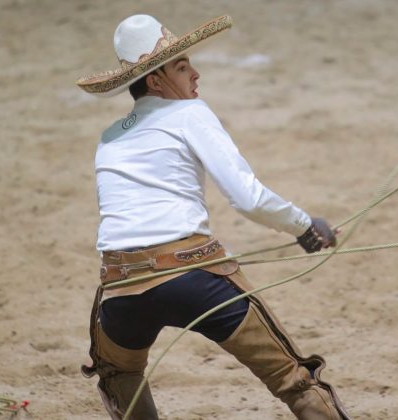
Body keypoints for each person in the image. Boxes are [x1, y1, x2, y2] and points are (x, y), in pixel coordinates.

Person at [76, 14, 351, 420]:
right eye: (182, 67)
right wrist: (304, 226)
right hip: (194, 279)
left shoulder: (109, 138)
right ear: (156, 80)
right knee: (294, 378)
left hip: (120, 288)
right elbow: (247, 197)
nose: (195, 74)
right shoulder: (190, 113)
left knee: (118, 374)